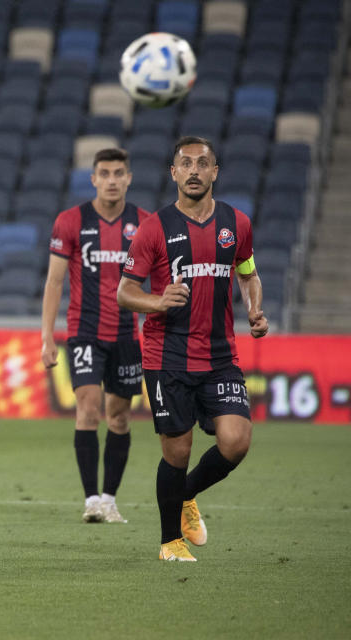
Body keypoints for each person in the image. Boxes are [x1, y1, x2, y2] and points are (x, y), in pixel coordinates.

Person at [117, 136, 268, 562]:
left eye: (203, 163)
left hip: (221, 355)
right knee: (177, 450)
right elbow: (125, 292)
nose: (195, 170)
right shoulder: (154, 228)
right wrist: (157, 301)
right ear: (174, 173)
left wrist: (255, 310)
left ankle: (184, 496)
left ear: (215, 172)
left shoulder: (236, 223)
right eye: (186, 164)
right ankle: (170, 543)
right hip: (168, 356)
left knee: (236, 441)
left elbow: (248, 272)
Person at [41, 148, 150, 524]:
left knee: (119, 417)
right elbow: (55, 280)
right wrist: (46, 337)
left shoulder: (145, 224)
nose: (112, 180)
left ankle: (109, 498)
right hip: (83, 331)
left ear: (129, 178)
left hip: (126, 336)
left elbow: (163, 280)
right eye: (105, 173)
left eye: (119, 173)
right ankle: (91, 501)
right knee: (87, 409)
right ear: (93, 179)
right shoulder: (71, 221)